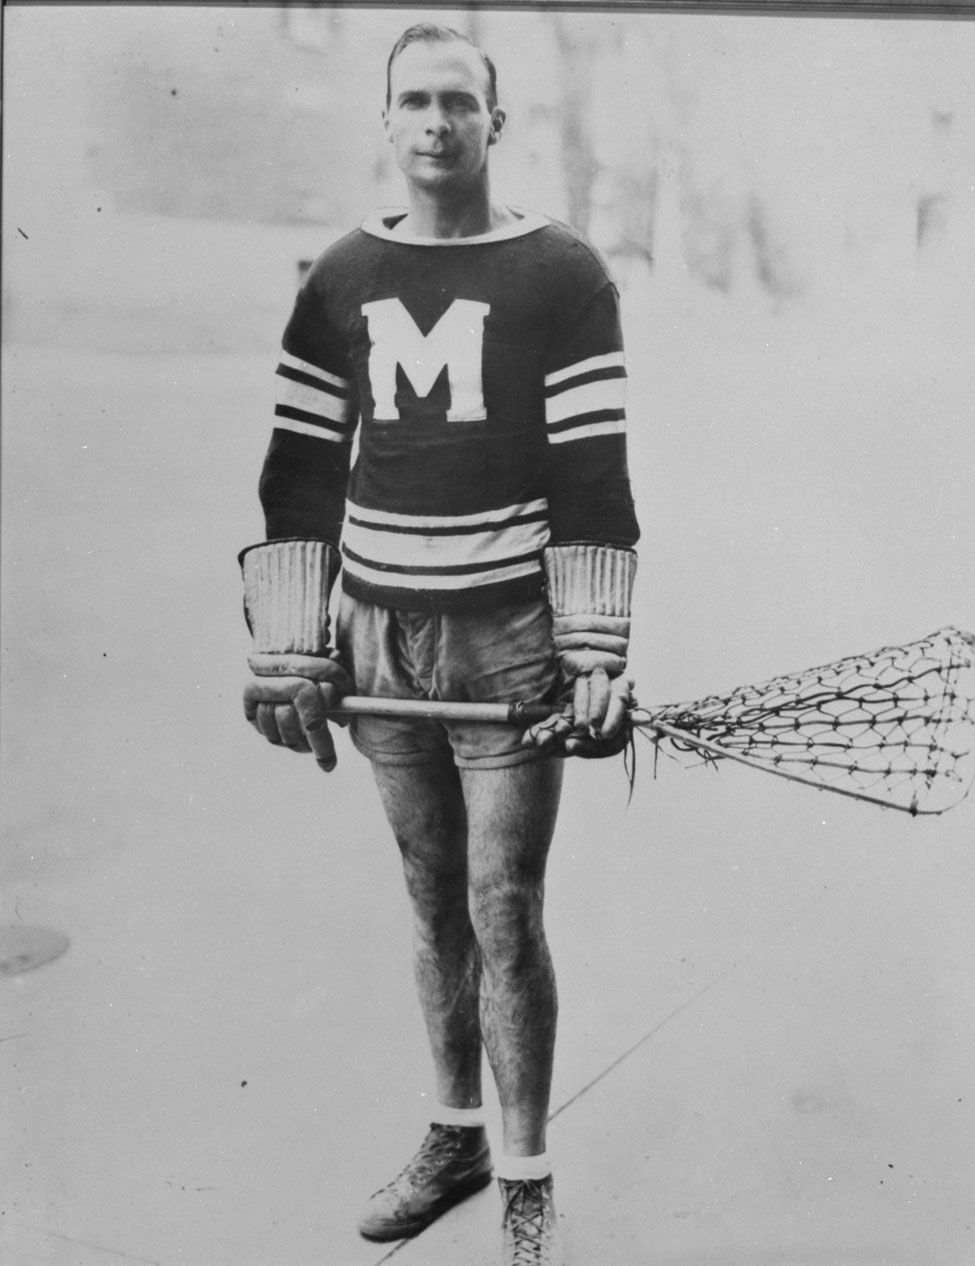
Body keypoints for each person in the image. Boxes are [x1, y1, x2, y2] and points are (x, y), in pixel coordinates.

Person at [239, 22, 639, 1265]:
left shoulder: (561, 272)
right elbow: (300, 474)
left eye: (458, 103)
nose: (433, 123)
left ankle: (524, 1172)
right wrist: (292, 647)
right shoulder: (341, 274)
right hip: (378, 637)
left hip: (507, 639)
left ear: (495, 125)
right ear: (385, 120)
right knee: (430, 907)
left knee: (503, 907)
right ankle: (454, 1133)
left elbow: (592, 472)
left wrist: (596, 644)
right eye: (410, 100)